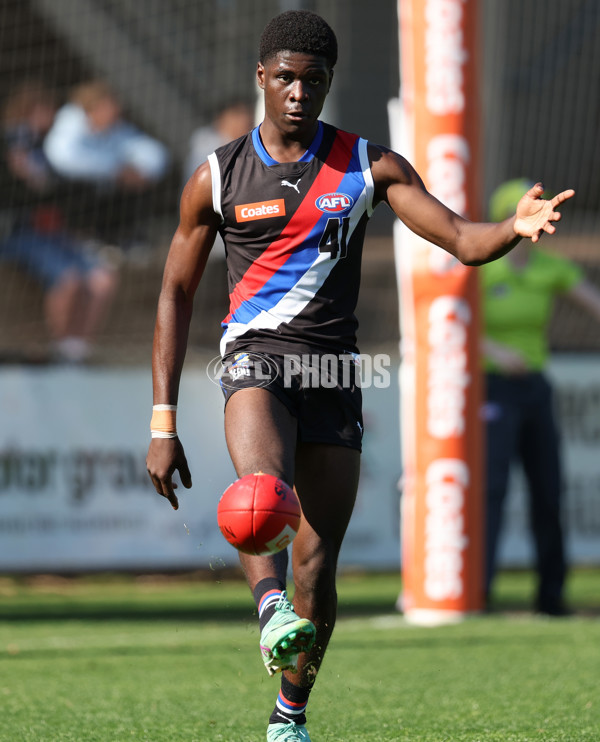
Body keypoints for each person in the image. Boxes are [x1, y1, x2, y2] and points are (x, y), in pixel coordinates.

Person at [145, 12, 575, 741]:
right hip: (255, 358)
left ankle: (290, 717)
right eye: (284, 77)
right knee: (262, 495)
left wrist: (513, 228)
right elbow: (175, 292)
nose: (296, 93)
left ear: (329, 83)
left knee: (316, 565)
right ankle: (268, 613)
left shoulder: (370, 166)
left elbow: (463, 240)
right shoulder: (217, 176)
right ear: (261, 77)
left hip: (336, 373)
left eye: (312, 81)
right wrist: (163, 421)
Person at [481, 178, 600, 617]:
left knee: (548, 491)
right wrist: (492, 350)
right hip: (491, 387)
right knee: (491, 491)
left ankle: (552, 598)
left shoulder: (549, 267)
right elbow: (452, 323)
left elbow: (591, 301)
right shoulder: (483, 265)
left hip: (535, 389)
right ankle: (479, 594)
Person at [0, 80, 118, 363]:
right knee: (68, 280)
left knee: (103, 279)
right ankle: (60, 352)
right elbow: (32, 183)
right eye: (46, 110)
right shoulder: (15, 140)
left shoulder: (56, 146)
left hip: (57, 232)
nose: (51, 117)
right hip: (18, 234)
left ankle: (76, 352)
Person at [43, 79, 170, 257]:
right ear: (93, 107)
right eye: (109, 106)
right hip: (70, 194)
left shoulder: (116, 127)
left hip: (109, 193)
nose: (116, 110)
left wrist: (143, 172)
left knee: (135, 182)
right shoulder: (69, 124)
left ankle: (123, 239)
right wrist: (115, 170)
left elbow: (153, 152)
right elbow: (63, 159)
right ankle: (84, 240)